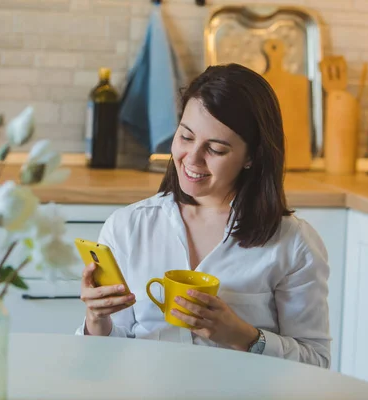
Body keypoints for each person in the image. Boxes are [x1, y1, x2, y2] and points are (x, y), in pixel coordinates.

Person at [75, 63, 331, 368]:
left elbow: (315, 363)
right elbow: (105, 359)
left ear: (252, 157)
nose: (192, 159)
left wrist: (243, 336)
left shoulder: (292, 243)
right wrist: (96, 320)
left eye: (217, 149)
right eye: (185, 137)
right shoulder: (128, 226)